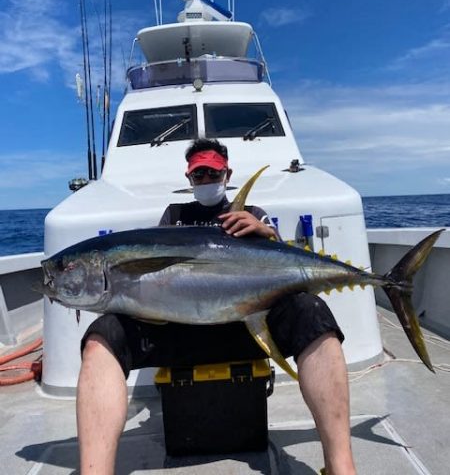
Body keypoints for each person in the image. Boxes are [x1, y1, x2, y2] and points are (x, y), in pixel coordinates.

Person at [76, 138, 356, 475]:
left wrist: (265, 232)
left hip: (245, 328)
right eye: (199, 175)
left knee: (312, 312)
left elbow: (283, 262)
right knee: (102, 335)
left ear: (227, 173)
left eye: (213, 172)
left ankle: (341, 467)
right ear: (189, 177)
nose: (207, 180)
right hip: (182, 331)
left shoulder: (252, 215)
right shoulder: (175, 217)